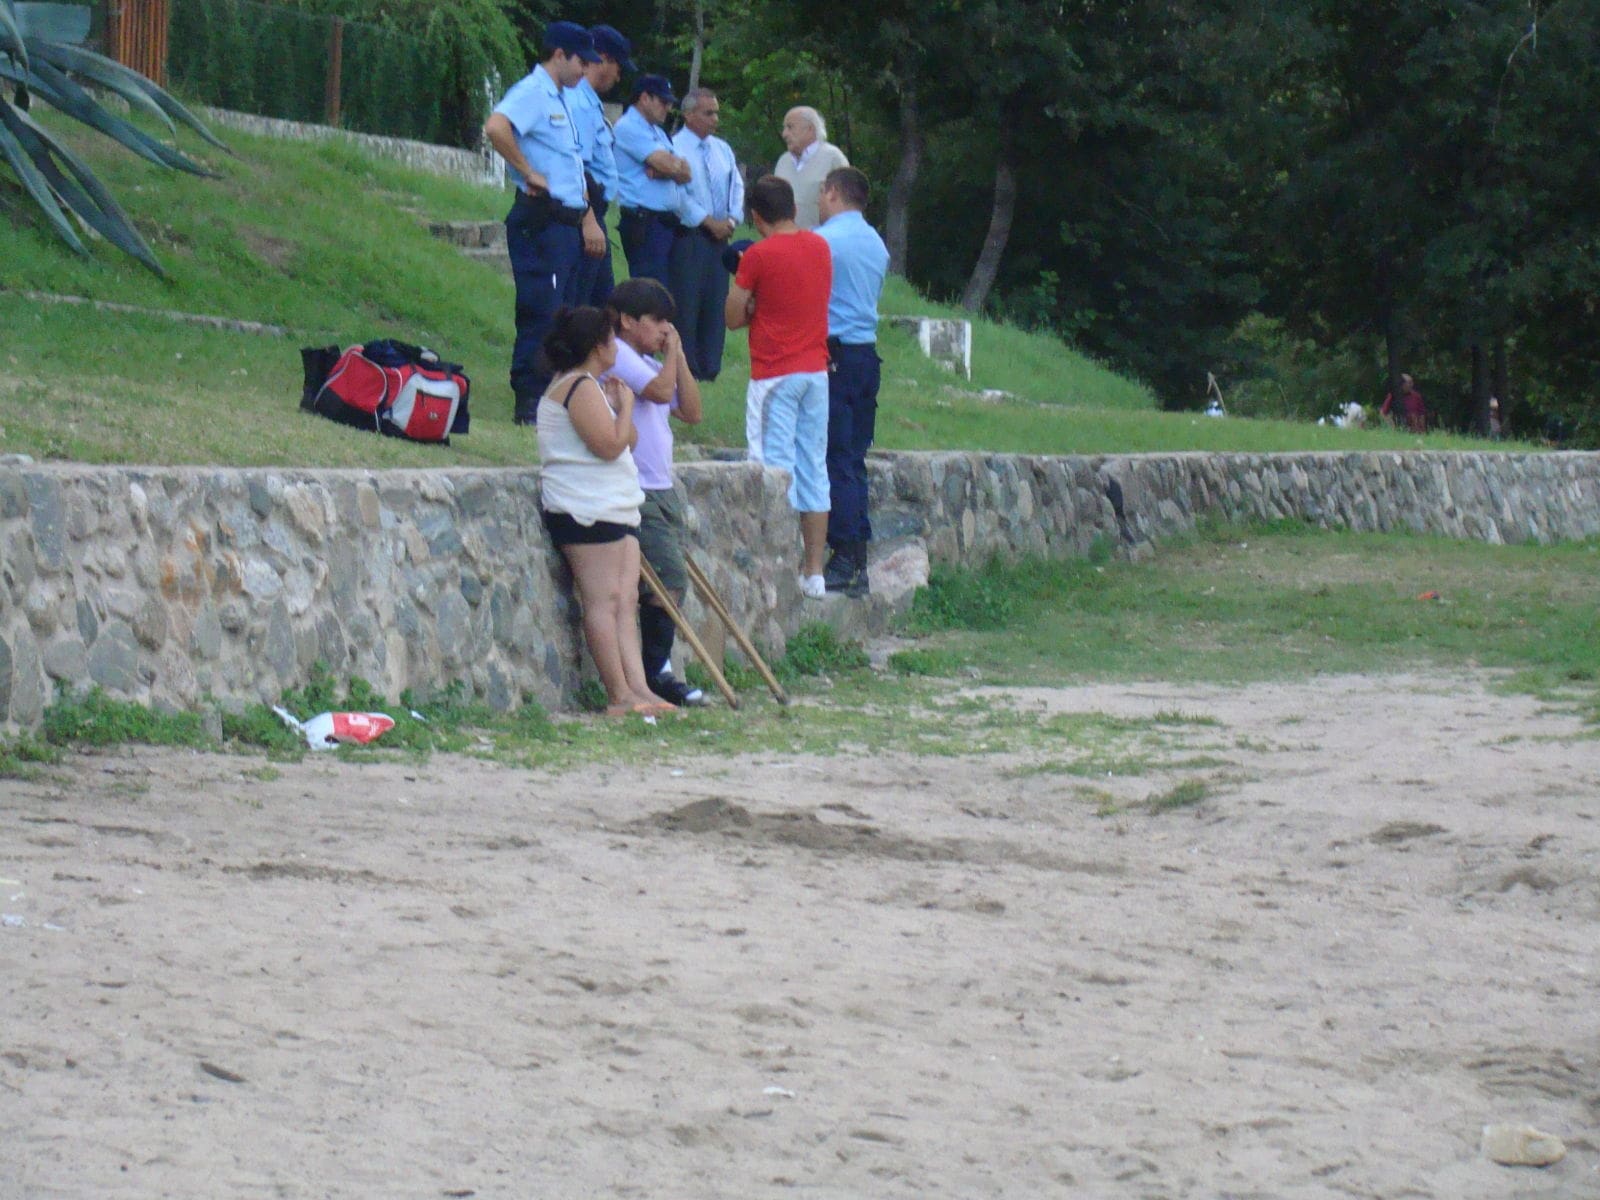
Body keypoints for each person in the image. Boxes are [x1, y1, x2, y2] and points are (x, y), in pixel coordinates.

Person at [535, 306, 673, 717]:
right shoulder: (577, 386)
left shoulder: (592, 387)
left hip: (614, 506)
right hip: (586, 509)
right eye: (611, 340)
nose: (616, 347)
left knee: (625, 600)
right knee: (603, 600)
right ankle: (618, 694)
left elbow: (627, 440)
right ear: (597, 346)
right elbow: (610, 446)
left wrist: (617, 407)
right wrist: (625, 406)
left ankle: (639, 689)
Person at [483, 21, 607, 425]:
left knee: (564, 314)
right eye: (581, 61)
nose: (585, 70)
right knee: (543, 311)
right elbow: (496, 127)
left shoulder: (562, 98)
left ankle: (555, 396)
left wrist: (586, 217)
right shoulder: (534, 92)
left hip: (566, 222)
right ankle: (530, 400)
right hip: (542, 220)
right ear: (559, 55)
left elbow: (570, 166)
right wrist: (526, 170)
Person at [725, 175, 834, 598]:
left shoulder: (757, 255)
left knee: (771, 465)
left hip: (775, 372)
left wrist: (752, 302)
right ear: (793, 207)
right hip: (815, 370)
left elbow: (732, 317)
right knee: (813, 466)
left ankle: (777, 567)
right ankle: (814, 572)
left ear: (756, 217)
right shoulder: (820, 247)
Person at [600, 279, 707, 707]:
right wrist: (673, 356)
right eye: (657, 320)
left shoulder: (648, 361)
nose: (665, 329)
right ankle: (655, 672)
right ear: (628, 321)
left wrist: (676, 358)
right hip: (638, 487)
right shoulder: (619, 354)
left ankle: (655, 668)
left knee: (670, 582)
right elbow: (661, 392)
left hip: (663, 486)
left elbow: (692, 411)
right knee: (668, 579)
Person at [814, 167, 888, 598]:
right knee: (854, 458)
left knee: (836, 457)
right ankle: (857, 554)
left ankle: (843, 555)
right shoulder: (876, 243)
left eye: (821, 193)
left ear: (833, 193)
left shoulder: (825, 241)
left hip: (836, 356)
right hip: (865, 354)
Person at [667, 87, 743, 381]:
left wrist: (732, 218)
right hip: (691, 234)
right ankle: (687, 367)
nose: (715, 119)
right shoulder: (675, 148)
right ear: (689, 115)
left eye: (716, 113)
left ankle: (710, 366)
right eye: (708, 113)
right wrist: (706, 220)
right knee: (688, 301)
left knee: (715, 301)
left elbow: (736, 186)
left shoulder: (722, 149)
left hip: (721, 237)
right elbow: (678, 194)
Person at [568, 24, 634, 308]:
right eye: (618, 67)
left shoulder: (589, 102)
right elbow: (575, 168)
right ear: (603, 59)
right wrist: (589, 220)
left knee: (603, 309)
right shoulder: (580, 103)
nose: (619, 76)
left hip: (594, 211)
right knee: (583, 309)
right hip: (585, 211)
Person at [613, 75, 692, 286]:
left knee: (666, 290)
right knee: (649, 290)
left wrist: (660, 170)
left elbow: (686, 173)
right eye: (663, 101)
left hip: (664, 222)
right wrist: (669, 168)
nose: (668, 108)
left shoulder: (658, 132)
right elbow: (670, 165)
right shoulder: (628, 126)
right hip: (644, 221)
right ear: (644, 98)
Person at [773, 106, 849, 230]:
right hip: (785, 238)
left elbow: (846, 207)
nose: (784, 134)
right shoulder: (783, 161)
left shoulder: (833, 158)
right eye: (784, 128)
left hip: (821, 239)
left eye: (790, 127)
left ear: (810, 129)